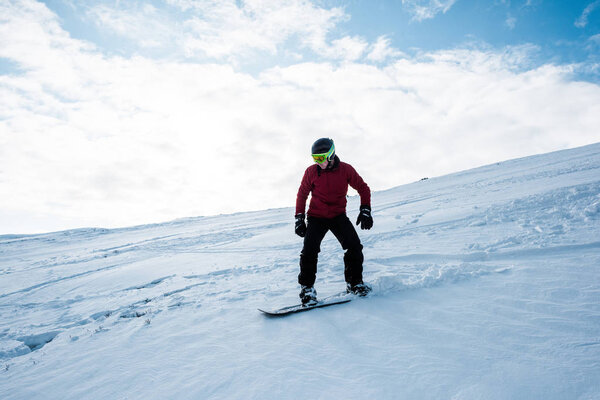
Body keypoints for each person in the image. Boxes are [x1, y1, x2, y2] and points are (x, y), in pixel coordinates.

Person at [294, 138, 373, 306]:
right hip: (316, 216)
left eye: (321, 158)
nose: (318, 162)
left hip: (338, 216)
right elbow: (302, 195)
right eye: (315, 159)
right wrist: (299, 218)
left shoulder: (346, 170)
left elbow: (363, 188)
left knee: (354, 247)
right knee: (309, 251)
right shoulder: (311, 172)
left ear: (331, 155)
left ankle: (354, 283)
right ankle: (307, 289)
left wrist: (365, 209)